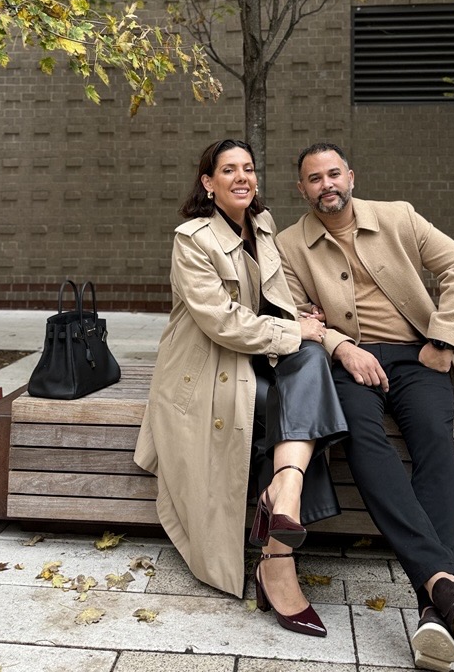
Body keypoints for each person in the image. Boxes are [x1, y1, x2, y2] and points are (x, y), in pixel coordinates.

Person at [276, 142, 454, 672]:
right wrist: (341, 348)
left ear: (351, 176)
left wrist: (443, 341)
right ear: (301, 189)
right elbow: (300, 318)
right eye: (314, 179)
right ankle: (444, 591)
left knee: (437, 441)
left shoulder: (399, 217)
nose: (327, 185)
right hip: (348, 363)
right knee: (362, 440)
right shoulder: (288, 246)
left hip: (418, 356)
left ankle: (432, 599)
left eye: (333, 174)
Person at [134, 138, 348, 637]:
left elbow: (270, 300)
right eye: (228, 170)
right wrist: (295, 332)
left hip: (253, 356)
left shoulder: (263, 226)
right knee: (297, 392)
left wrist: (299, 320)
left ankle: (283, 506)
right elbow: (224, 322)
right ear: (208, 184)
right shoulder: (192, 239)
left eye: (248, 168)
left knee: (311, 361)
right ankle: (280, 552)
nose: (241, 177)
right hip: (207, 367)